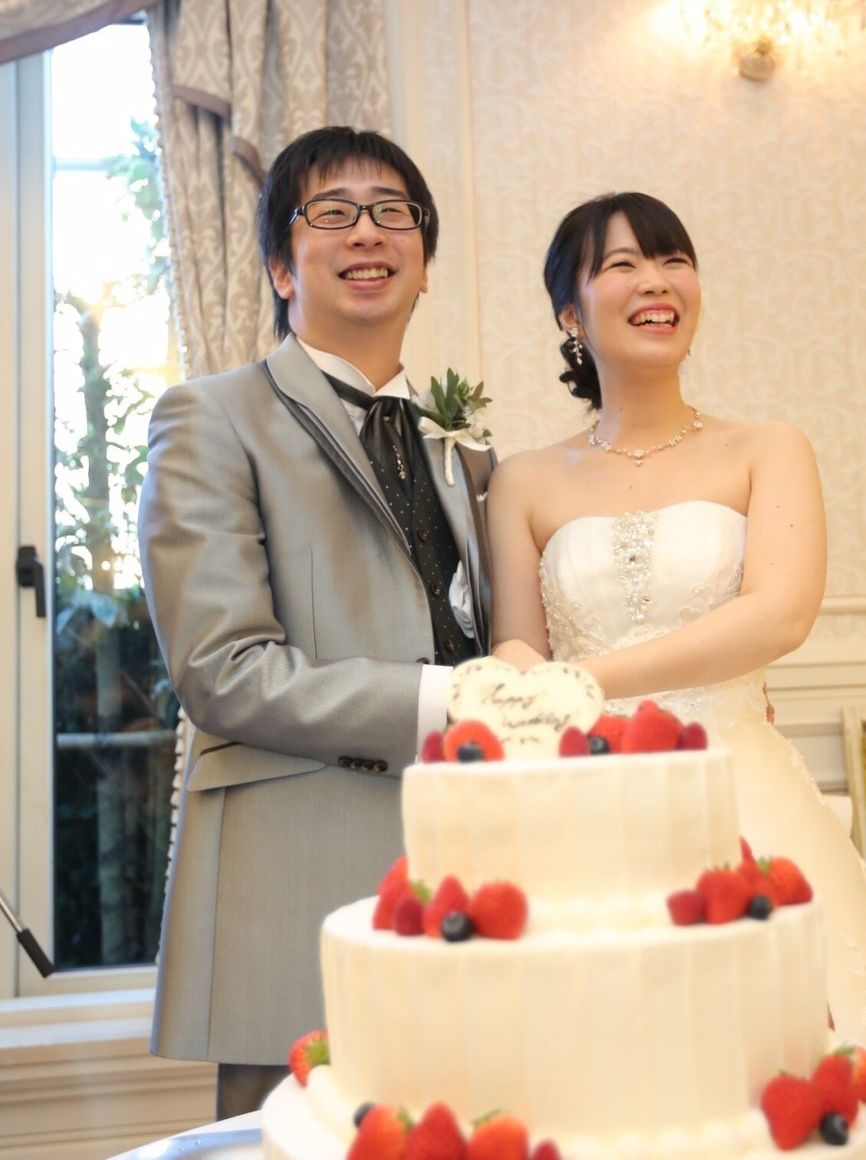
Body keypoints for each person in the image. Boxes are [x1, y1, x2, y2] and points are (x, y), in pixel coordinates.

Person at [487, 191, 866, 1081]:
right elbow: (519, 648)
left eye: (673, 260)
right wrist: (522, 682)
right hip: (589, 800)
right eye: (621, 264)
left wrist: (583, 682)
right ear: (569, 314)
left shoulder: (767, 448)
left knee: (799, 1066)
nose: (656, 281)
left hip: (743, 788)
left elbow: (779, 614)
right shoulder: (523, 481)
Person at [139, 126, 495, 1117]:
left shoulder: (467, 452)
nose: (367, 232)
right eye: (332, 212)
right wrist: (444, 699)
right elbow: (222, 669)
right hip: (295, 892)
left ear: (424, 260)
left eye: (393, 212)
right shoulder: (211, 418)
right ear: (279, 266)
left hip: (466, 890)